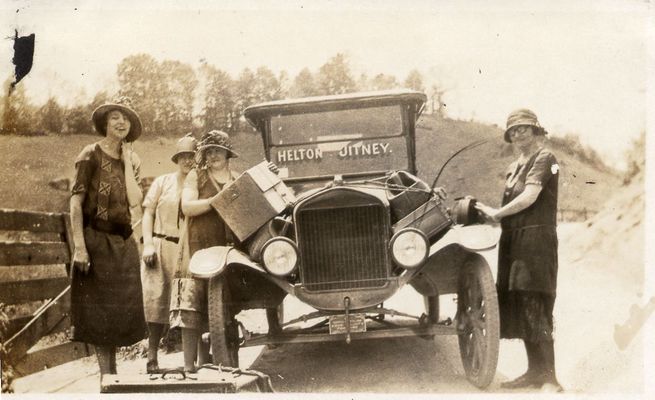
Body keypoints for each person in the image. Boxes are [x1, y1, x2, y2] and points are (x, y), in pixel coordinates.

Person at [475, 109, 563, 392]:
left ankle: (550, 377)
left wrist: (497, 214)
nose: (518, 133)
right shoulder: (515, 166)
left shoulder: (546, 159)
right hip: (513, 241)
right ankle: (534, 372)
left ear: (536, 130)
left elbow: (531, 195)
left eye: (524, 128)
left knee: (536, 300)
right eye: (513, 130)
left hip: (536, 240)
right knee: (521, 302)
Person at [69, 97, 146, 375]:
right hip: (96, 242)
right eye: (115, 116)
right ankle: (107, 380)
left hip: (122, 244)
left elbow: (136, 201)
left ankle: (113, 381)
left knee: (118, 312)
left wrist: (127, 161)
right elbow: (75, 203)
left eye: (126, 118)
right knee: (101, 315)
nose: (121, 122)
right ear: (105, 123)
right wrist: (80, 246)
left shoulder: (132, 160)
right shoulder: (90, 154)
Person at [174, 130, 239, 373]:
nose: (213, 155)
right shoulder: (197, 176)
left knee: (223, 305)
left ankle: (217, 362)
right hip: (199, 245)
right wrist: (216, 201)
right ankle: (189, 367)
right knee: (192, 304)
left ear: (227, 154)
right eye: (209, 150)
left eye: (218, 150)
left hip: (229, 248)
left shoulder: (236, 177)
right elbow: (187, 206)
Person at [140, 134, 197, 373]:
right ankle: (152, 356)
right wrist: (149, 244)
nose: (187, 161)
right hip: (161, 246)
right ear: (176, 159)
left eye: (192, 156)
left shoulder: (200, 183)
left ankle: (190, 361)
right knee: (156, 300)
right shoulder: (163, 182)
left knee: (190, 301)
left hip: (189, 249)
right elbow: (148, 213)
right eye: (183, 156)